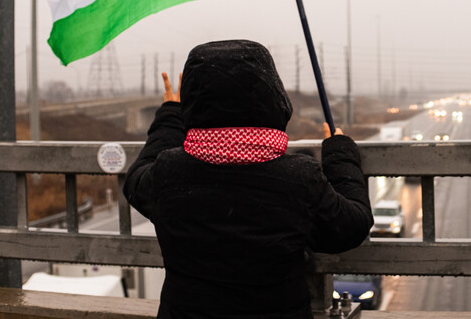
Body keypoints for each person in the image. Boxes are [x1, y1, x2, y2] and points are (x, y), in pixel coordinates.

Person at [123, 40, 373, 319]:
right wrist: (340, 155)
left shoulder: (169, 173)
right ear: (273, 96)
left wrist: (171, 116)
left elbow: (136, 180)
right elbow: (352, 225)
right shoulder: (298, 179)